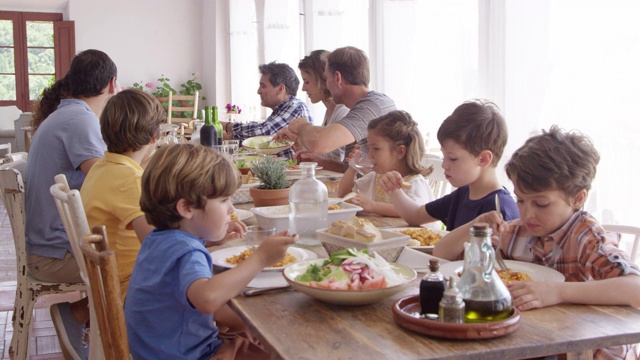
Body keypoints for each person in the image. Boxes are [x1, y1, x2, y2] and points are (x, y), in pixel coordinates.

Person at [433, 125, 640, 359]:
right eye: (520, 200)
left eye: (541, 204)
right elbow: (441, 254)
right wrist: (477, 225)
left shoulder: (585, 236)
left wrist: (558, 292)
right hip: (535, 341)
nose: (527, 213)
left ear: (578, 198)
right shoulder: (517, 233)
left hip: (589, 349)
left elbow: (635, 288)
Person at [125, 144, 296, 359]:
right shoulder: (188, 252)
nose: (231, 209)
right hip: (189, 354)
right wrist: (260, 258)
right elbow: (208, 299)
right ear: (186, 208)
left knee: (252, 335)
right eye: (224, 200)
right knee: (281, 350)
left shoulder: (159, 239)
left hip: (161, 350)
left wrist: (210, 240)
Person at [25, 49, 117, 359]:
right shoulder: (80, 119)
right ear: (112, 84)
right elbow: (106, 182)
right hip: (54, 255)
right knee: (140, 257)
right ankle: (79, 314)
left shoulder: (65, 115)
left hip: (45, 246)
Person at [379, 99, 519, 230]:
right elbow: (416, 216)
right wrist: (394, 191)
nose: (444, 165)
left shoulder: (499, 209)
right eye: (444, 156)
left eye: (452, 158)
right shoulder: (464, 193)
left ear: (483, 159)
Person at [79, 89, 164, 300]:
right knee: (218, 288)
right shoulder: (130, 180)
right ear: (155, 136)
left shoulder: (103, 166)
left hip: (112, 280)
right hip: (132, 288)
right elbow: (159, 246)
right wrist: (208, 238)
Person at [274, 46, 396, 166]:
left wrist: (301, 125)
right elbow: (351, 170)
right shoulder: (359, 108)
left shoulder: (373, 106)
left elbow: (318, 143)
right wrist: (320, 161)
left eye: (326, 79)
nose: (326, 85)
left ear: (337, 78)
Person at [337, 110, 435, 218]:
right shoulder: (375, 178)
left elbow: (416, 211)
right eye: (369, 148)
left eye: (376, 149)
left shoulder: (415, 183)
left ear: (400, 151)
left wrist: (374, 206)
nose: (370, 154)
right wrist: (352, 167)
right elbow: (343, 196)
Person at [221, 61, 311, 158]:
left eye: (263, 86)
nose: (258, 91)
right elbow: (263, 139)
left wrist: (226, 127)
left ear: (280, 89)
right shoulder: (280, 111)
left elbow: (263, 132)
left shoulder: (295, 106)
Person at [293, 50, 349, 172]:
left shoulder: (343, 112)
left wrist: (301, 127)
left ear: (323, 80)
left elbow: (341, 164)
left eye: (307, 81)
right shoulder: (330, 111)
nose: (303, 88)